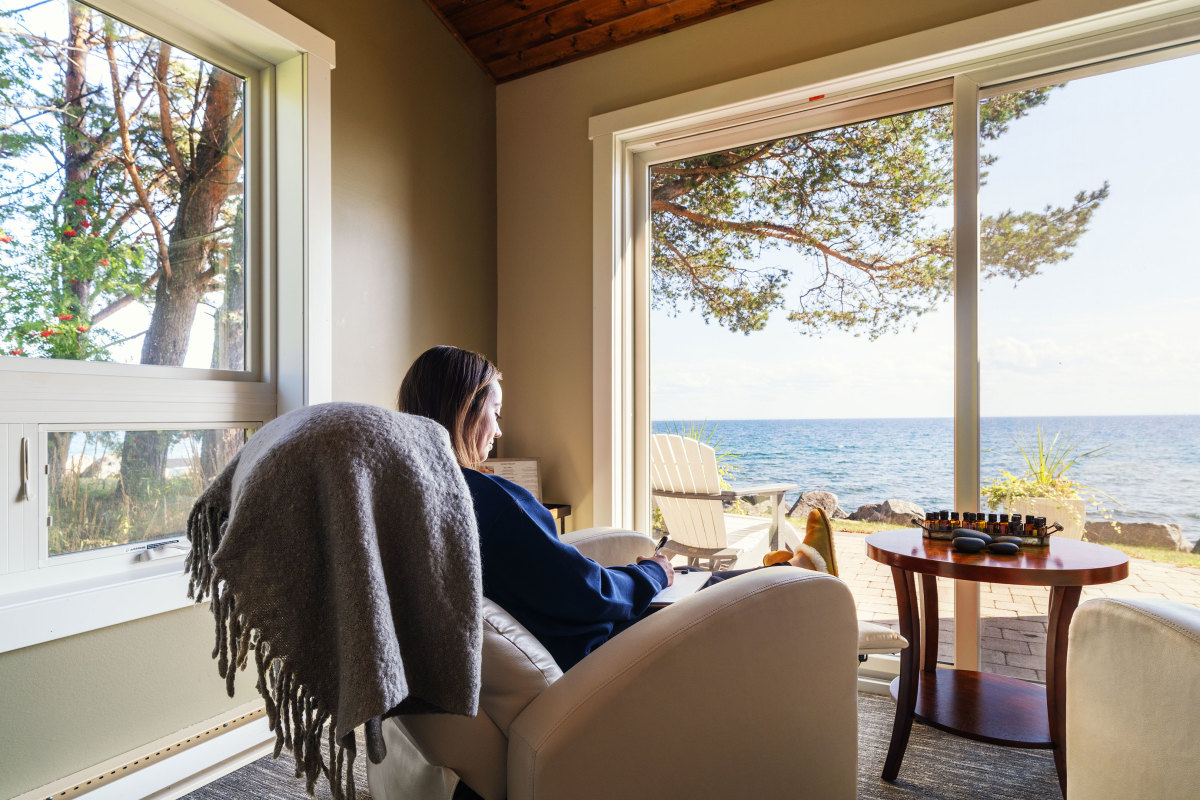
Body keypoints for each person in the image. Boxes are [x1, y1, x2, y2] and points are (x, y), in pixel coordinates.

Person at [397, 345, 818, 672]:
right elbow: (587, 596)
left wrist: (637, 574)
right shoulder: (488, 498)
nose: (499, 431)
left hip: (556, 630)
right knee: (700, 588)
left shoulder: (414, 499)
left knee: (696, 578)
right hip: (595, 650)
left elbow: (552, 578)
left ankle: (790, 568)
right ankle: (799, 577)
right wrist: (653, 573)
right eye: (496, 413)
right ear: (466, 411)